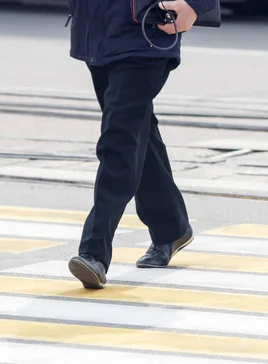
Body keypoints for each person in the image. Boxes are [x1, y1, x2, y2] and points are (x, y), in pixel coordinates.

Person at [66, 0, 218, 289]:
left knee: (119, 141)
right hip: (98, 30)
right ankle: (171, 228)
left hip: (145, 30)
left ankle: (94, 252)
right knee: (136, 133)